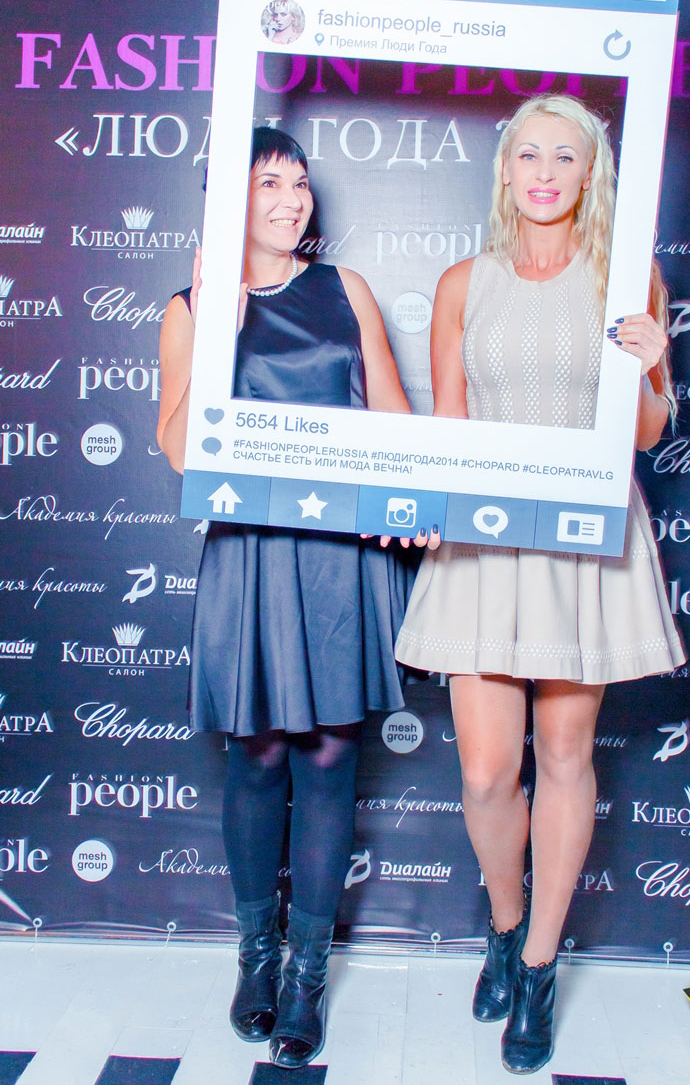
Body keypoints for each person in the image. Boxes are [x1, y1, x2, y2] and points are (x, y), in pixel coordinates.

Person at [395, 94, 684, 1075]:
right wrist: (427, 499)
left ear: (590, 172)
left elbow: (646, 432)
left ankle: (538, 964)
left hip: (581, 541)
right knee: (486, 771)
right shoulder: (462, 281)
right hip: (482, 539)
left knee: (564, 753)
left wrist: (653, 369)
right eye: (530, 154)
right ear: (506, 169)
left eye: (567, 154)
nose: (547, 172)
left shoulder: (625, 278)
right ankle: (504, 919)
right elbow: (448, 419)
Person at [157, 127, 411, 1070]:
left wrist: (413, 501)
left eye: (299, 183)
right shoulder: (190, 307)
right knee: (258, 752)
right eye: (270, 182)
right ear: (232, 199)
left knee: (332, 754)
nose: (293, 199)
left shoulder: (346, 290)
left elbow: (393, 417)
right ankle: (256, 959)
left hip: (341, 552)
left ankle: (308, 975)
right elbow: (179, 450)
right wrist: (221, 328)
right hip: (254, 553)